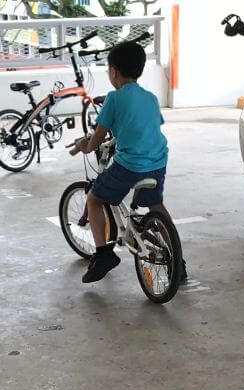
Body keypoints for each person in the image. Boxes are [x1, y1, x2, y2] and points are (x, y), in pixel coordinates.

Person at [75, 40, 186, 284]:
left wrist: (84, 145)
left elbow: (95, 141)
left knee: (94, 198)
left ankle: (104, 255)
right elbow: (148, 126)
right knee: (156, 204)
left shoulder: (114, 98)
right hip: (158, 161)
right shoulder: (151, 97)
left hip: (130, 165)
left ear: (113, 71)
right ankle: (177, 259)